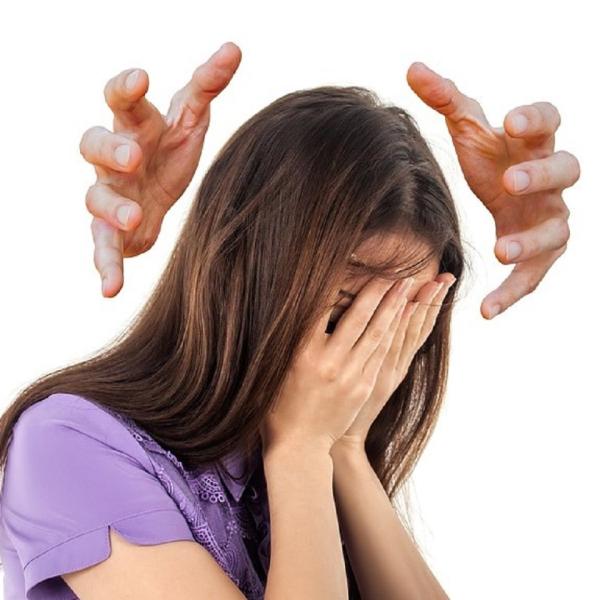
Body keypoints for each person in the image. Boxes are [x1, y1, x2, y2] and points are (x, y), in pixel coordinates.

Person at [0, 41, 580, 600]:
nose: (366, 352)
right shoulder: (66, 444)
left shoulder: (307, 454)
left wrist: (344, 449)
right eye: (346, 311)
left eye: (399, 320)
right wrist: (302, 447)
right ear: (242, 271)